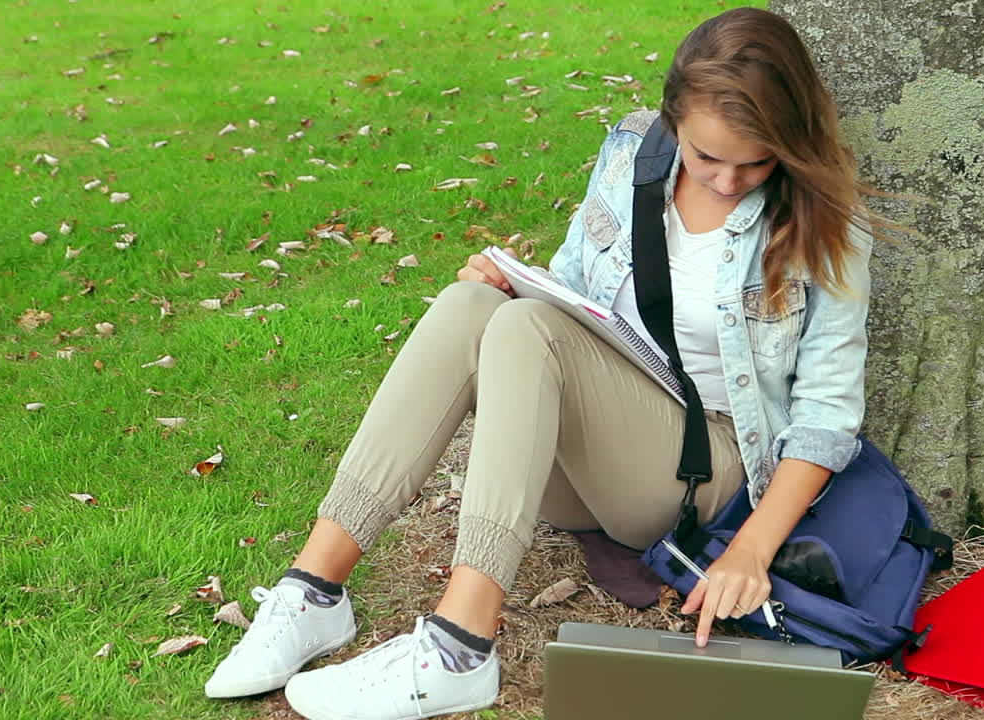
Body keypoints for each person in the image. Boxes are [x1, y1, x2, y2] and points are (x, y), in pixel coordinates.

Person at [204, 6, 874, 719]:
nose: (729, 181)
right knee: (474, 306)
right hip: (585, 457)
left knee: (526, 328)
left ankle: (460, 645)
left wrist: (749, 550)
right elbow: (575, 292)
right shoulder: (630, 152)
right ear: (673, 119)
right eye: (707, 158)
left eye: (756, 161)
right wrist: (507, 283)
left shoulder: (824, 220)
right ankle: (315, 590)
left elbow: (826, 416)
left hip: (701, 469)